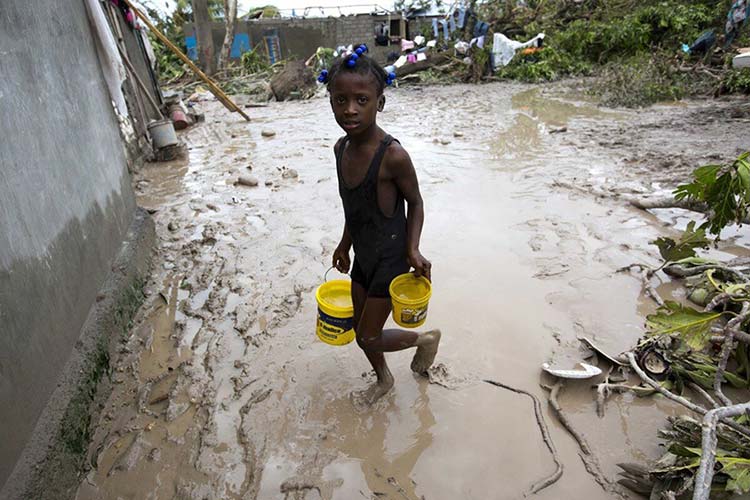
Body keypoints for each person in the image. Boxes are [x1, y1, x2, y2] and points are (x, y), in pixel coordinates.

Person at [320, 47, 441, 406]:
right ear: (330, 102)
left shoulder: (393, 156)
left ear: (380, 102)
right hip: (363, 255)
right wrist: (344, 244)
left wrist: (413, 249)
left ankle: (425, 339)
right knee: (360, 329)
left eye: (361, 99)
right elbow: (354, 207)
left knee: (367, 337)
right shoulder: (340, 149)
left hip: (391, 259)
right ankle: (384, 378)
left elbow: (416, 203)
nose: (350, 109)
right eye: (340, 100)